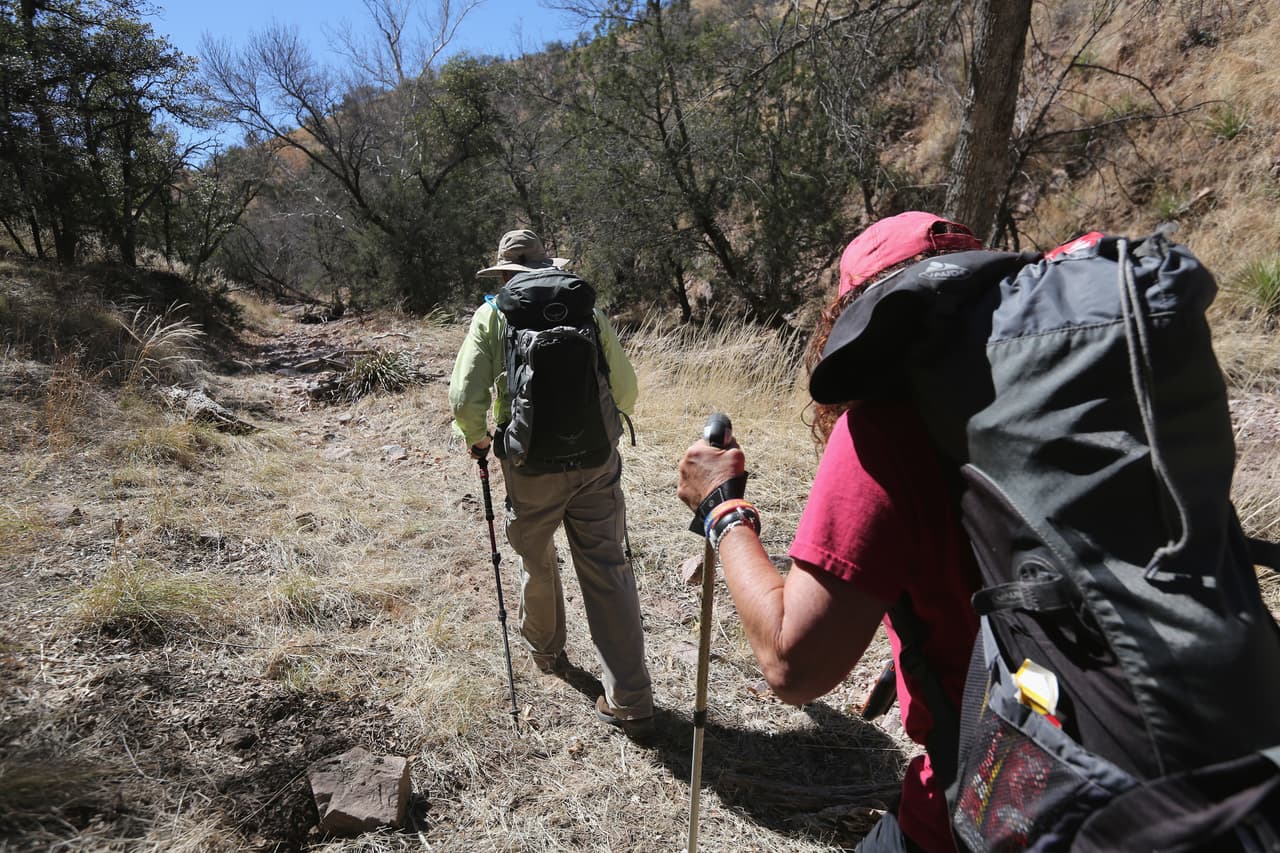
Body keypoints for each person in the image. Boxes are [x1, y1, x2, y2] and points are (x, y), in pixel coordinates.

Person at [676, 212, 986, 852]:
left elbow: (793, 665)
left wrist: (723, 510)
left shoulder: (887, 430)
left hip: (1007, 787)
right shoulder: (1066, 395)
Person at [449, 228, 654, 737]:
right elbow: (626, 388)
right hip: (596, 461)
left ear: (503, 273)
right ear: (546, 265)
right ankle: (630, 697)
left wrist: (477, 439)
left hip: (529, 464)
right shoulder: (583, 308)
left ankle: (547, 652)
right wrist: (598, 428)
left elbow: (463, 397)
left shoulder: (493, 314)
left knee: (535, 559)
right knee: (608, 567)